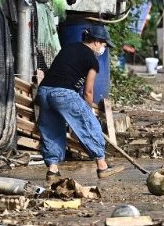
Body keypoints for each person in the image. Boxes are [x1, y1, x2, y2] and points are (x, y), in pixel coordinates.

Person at [37, 25, 124, 182]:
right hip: (63, 93)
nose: (104, 48)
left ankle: (52, 170)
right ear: (96, 42)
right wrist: (88, 110)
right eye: (104, 45)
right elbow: (88, 91)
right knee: (89, 124)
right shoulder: (92, 59)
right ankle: (102, 166)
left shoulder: (69, 48)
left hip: (44, 92)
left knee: (52, 130)